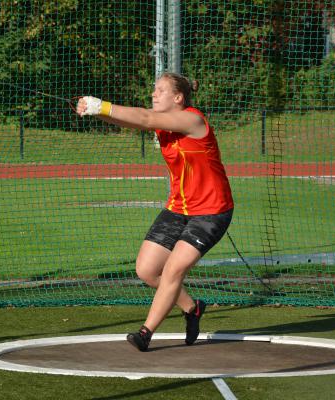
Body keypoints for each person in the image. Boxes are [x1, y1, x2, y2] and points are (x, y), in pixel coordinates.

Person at [76, 72, 233, 351]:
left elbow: (145, 118)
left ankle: (145, 333)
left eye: (160, 90)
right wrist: (93, 111)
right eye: (154, 90)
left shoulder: (192, 119)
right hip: (178, 207)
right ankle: (192, 308)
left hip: (211, 211)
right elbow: (133, 120)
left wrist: (101, 105)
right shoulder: (164, 124)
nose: (154, 94)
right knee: (147, 271)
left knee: (173, 269)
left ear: (178, 98)